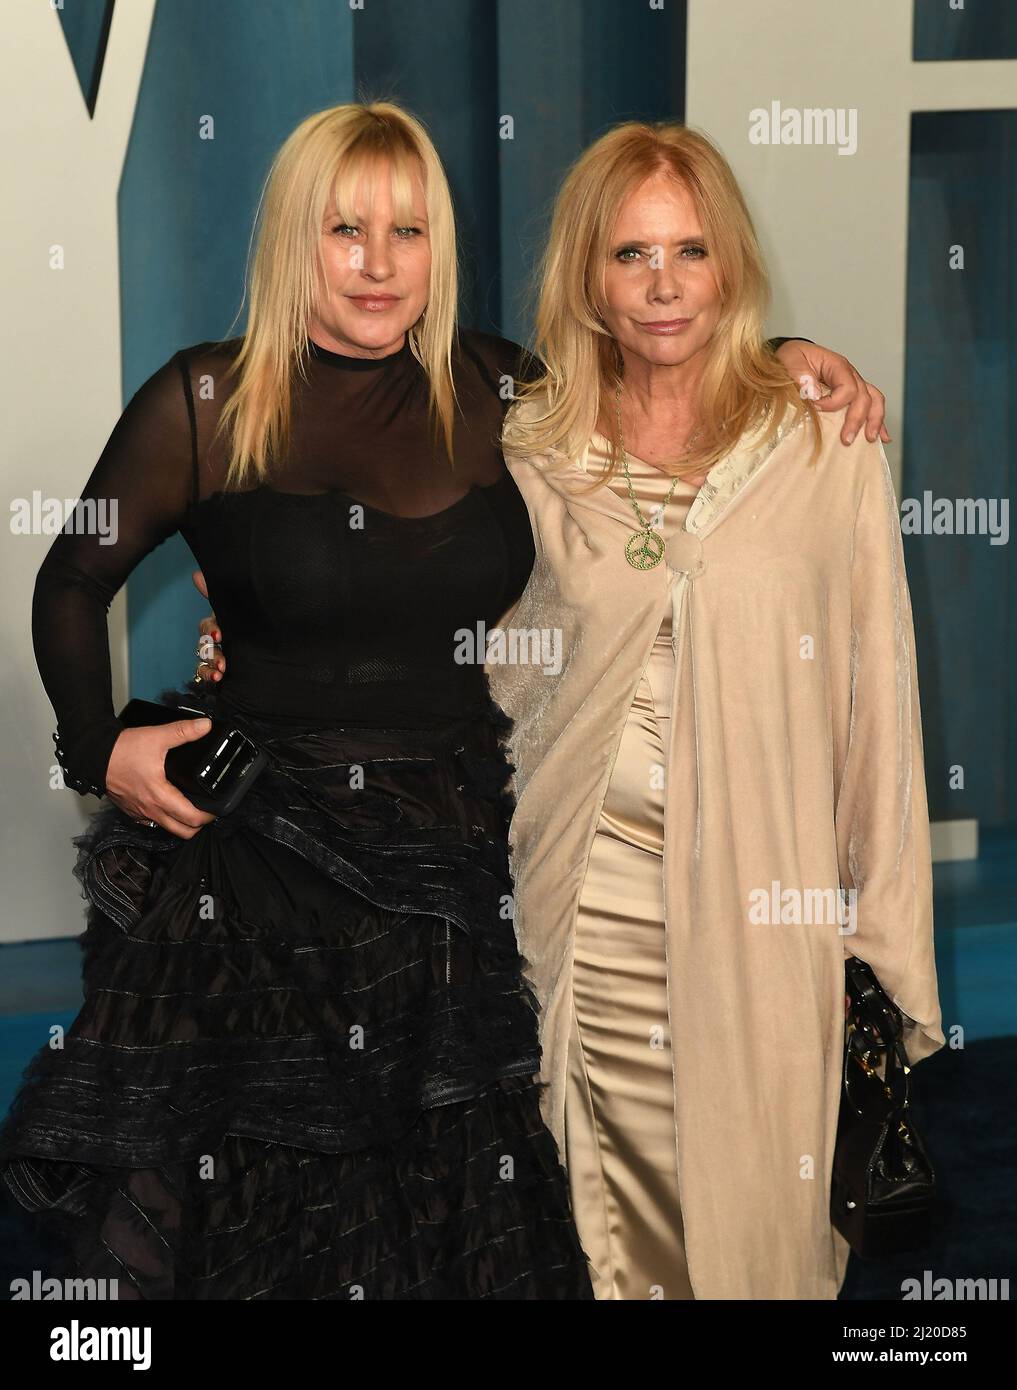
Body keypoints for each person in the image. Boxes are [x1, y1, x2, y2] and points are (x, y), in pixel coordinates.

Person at [0, 101, 597, 1300]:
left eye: (409, 230)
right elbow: (70, 583)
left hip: (451, 857)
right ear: (293, 239)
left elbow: (661, 431)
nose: (380, 263)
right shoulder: (208, 399)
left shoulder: (506, 386)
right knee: (252, 1211)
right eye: (345, 229)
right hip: (252, 856)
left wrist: (793, 364)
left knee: (447, 1200)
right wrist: (101, 749)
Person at [488, 120, 945, 1300]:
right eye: (631, 254)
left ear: (731, 261)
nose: (662, 286)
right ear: (588, 275)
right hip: (591, 918)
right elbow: (507, 678)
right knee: (606, 1230)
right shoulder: (534, 451)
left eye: (689, 250)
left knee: (761, 1219)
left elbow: (877, 704)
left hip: (766, 914)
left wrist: (880, 940)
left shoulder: (823, 443)